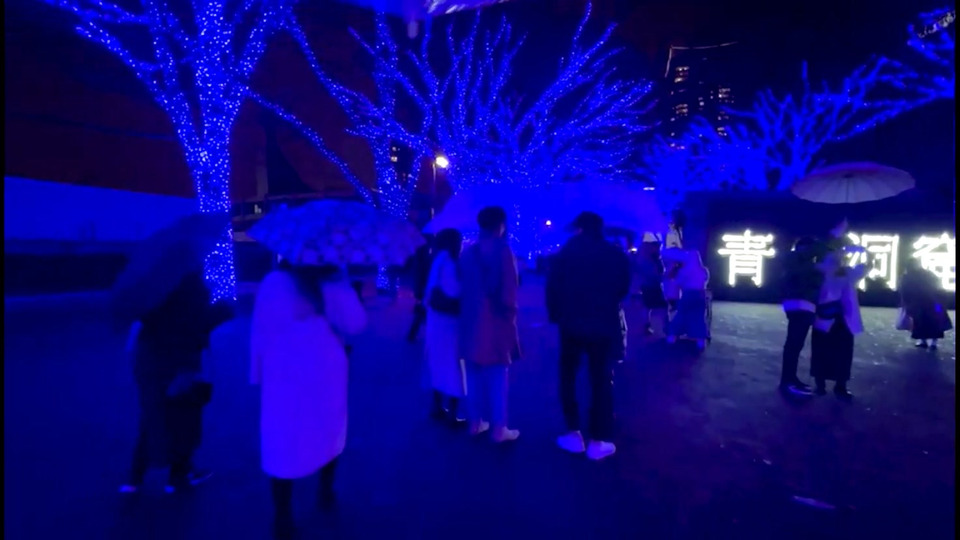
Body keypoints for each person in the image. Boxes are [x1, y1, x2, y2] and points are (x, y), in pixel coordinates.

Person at [250, 262, 367, 539]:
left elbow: (259, 330)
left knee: (282, 440)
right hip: (325, 372)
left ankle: (282, 514)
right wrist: (342, 284)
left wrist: (256, 372)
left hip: (282, 375)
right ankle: (325, 491)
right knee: (327, 429)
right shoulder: (332, 281)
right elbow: (356, 323)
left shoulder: (273, 282)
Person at [120, 272, 234, 494]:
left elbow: (143, 316)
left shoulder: (153, 284)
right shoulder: (191, 283)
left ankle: (134, 478)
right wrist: (225, 308)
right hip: (181, 361)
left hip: (150, 359)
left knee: (153, 415)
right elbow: (201, 320)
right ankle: (178, 476)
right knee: (185, 417)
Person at [547, 212, 631, 461]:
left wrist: (557, 315)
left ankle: (573, 433)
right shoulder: (614, 254)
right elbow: (622, 288)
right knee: (601, 378)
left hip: (571, 323)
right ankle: (598, 439)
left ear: (578, 228)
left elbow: (552, 288)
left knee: (568, 376)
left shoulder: (565, 254)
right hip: (603, 323)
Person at [458, 206, 521, 443]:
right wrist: (511, 320)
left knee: (473, 375)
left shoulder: (467, 253)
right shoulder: (503, 252)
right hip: (495, 322)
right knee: (496, 377)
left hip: (469, 321)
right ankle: (498, 429)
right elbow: (509, 295)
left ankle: (475, 422)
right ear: (501, 224)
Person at [779, 220, 850, 395]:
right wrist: (833, 237)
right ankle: (787, 381)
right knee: (794, 344)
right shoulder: (796, 260)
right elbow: (818, 254)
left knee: (795, 344)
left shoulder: (803, 263)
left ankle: (791, 378)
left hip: (804, 306)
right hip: (799, 305)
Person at [810, 250, 867, 400]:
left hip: (841, 319)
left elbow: (866, 267)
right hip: (826, 318)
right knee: (823, 352)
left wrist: (864, 252)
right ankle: (823, 385)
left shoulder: (847, 273)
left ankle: (838, 386)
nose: (838, 261)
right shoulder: (822, 272)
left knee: (841, 353)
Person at [424, 228, 466, 424]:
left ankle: (437, 406)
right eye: (459, 241)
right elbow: (455, 292)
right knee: (454, 365)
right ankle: (452, 413)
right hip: (449, 323)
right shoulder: (450, 264)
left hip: (435, 320)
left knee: (437, 362)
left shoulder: (437, 261)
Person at [664, 249, 710, 349]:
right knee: (698, 317)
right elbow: (705, 281)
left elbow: (678, 283)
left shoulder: (684, 270)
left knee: (681, 315)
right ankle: (700, 340)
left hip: (687, 294)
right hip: (700, 294)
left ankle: (672, 336)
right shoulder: (703, 270)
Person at [900, 259, 950, 350]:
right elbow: (938, 285)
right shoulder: (928, 274)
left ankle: (923, 341)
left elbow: (904, 290)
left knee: (921, 322)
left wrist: (906, 303)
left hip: (919, 303)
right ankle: (932, 342)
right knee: (934, 322)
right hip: (933, 302)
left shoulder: (908, 276)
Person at [407, 234, 434, 342]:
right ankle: (413, 334)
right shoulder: (425, 258)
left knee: (422, 310)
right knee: (423, 310)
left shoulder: (420, 257)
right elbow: (423, 275)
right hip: (423, 289)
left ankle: (413, 333)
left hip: (420, 288)